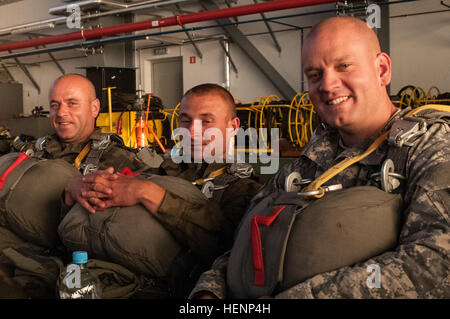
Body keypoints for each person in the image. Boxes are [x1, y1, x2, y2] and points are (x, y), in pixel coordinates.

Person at [189, 16, 450, 299]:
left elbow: (436, 263)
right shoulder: (304, 167)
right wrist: (210, 292)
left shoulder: (429, 149)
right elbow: (245, 242)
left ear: (382, 69)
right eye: (315, 75)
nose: (327, 84)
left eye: (344, 66)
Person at [60, 83, 262, 297]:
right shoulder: (153, 169)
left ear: (233, 126)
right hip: (104, 274)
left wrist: (148, 193)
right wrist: (72, 192)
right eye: (185, 120)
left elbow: (225, 249)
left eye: (206, 121)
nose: (192, 131)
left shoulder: (243, 190)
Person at [0, 73, 161, 298]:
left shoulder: (119, 162)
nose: (61, 113)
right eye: (55, 105)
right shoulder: (32, 150)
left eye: (72, 103)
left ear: (94, 108)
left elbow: (129, 236)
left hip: (60, 270)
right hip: (13, 249)